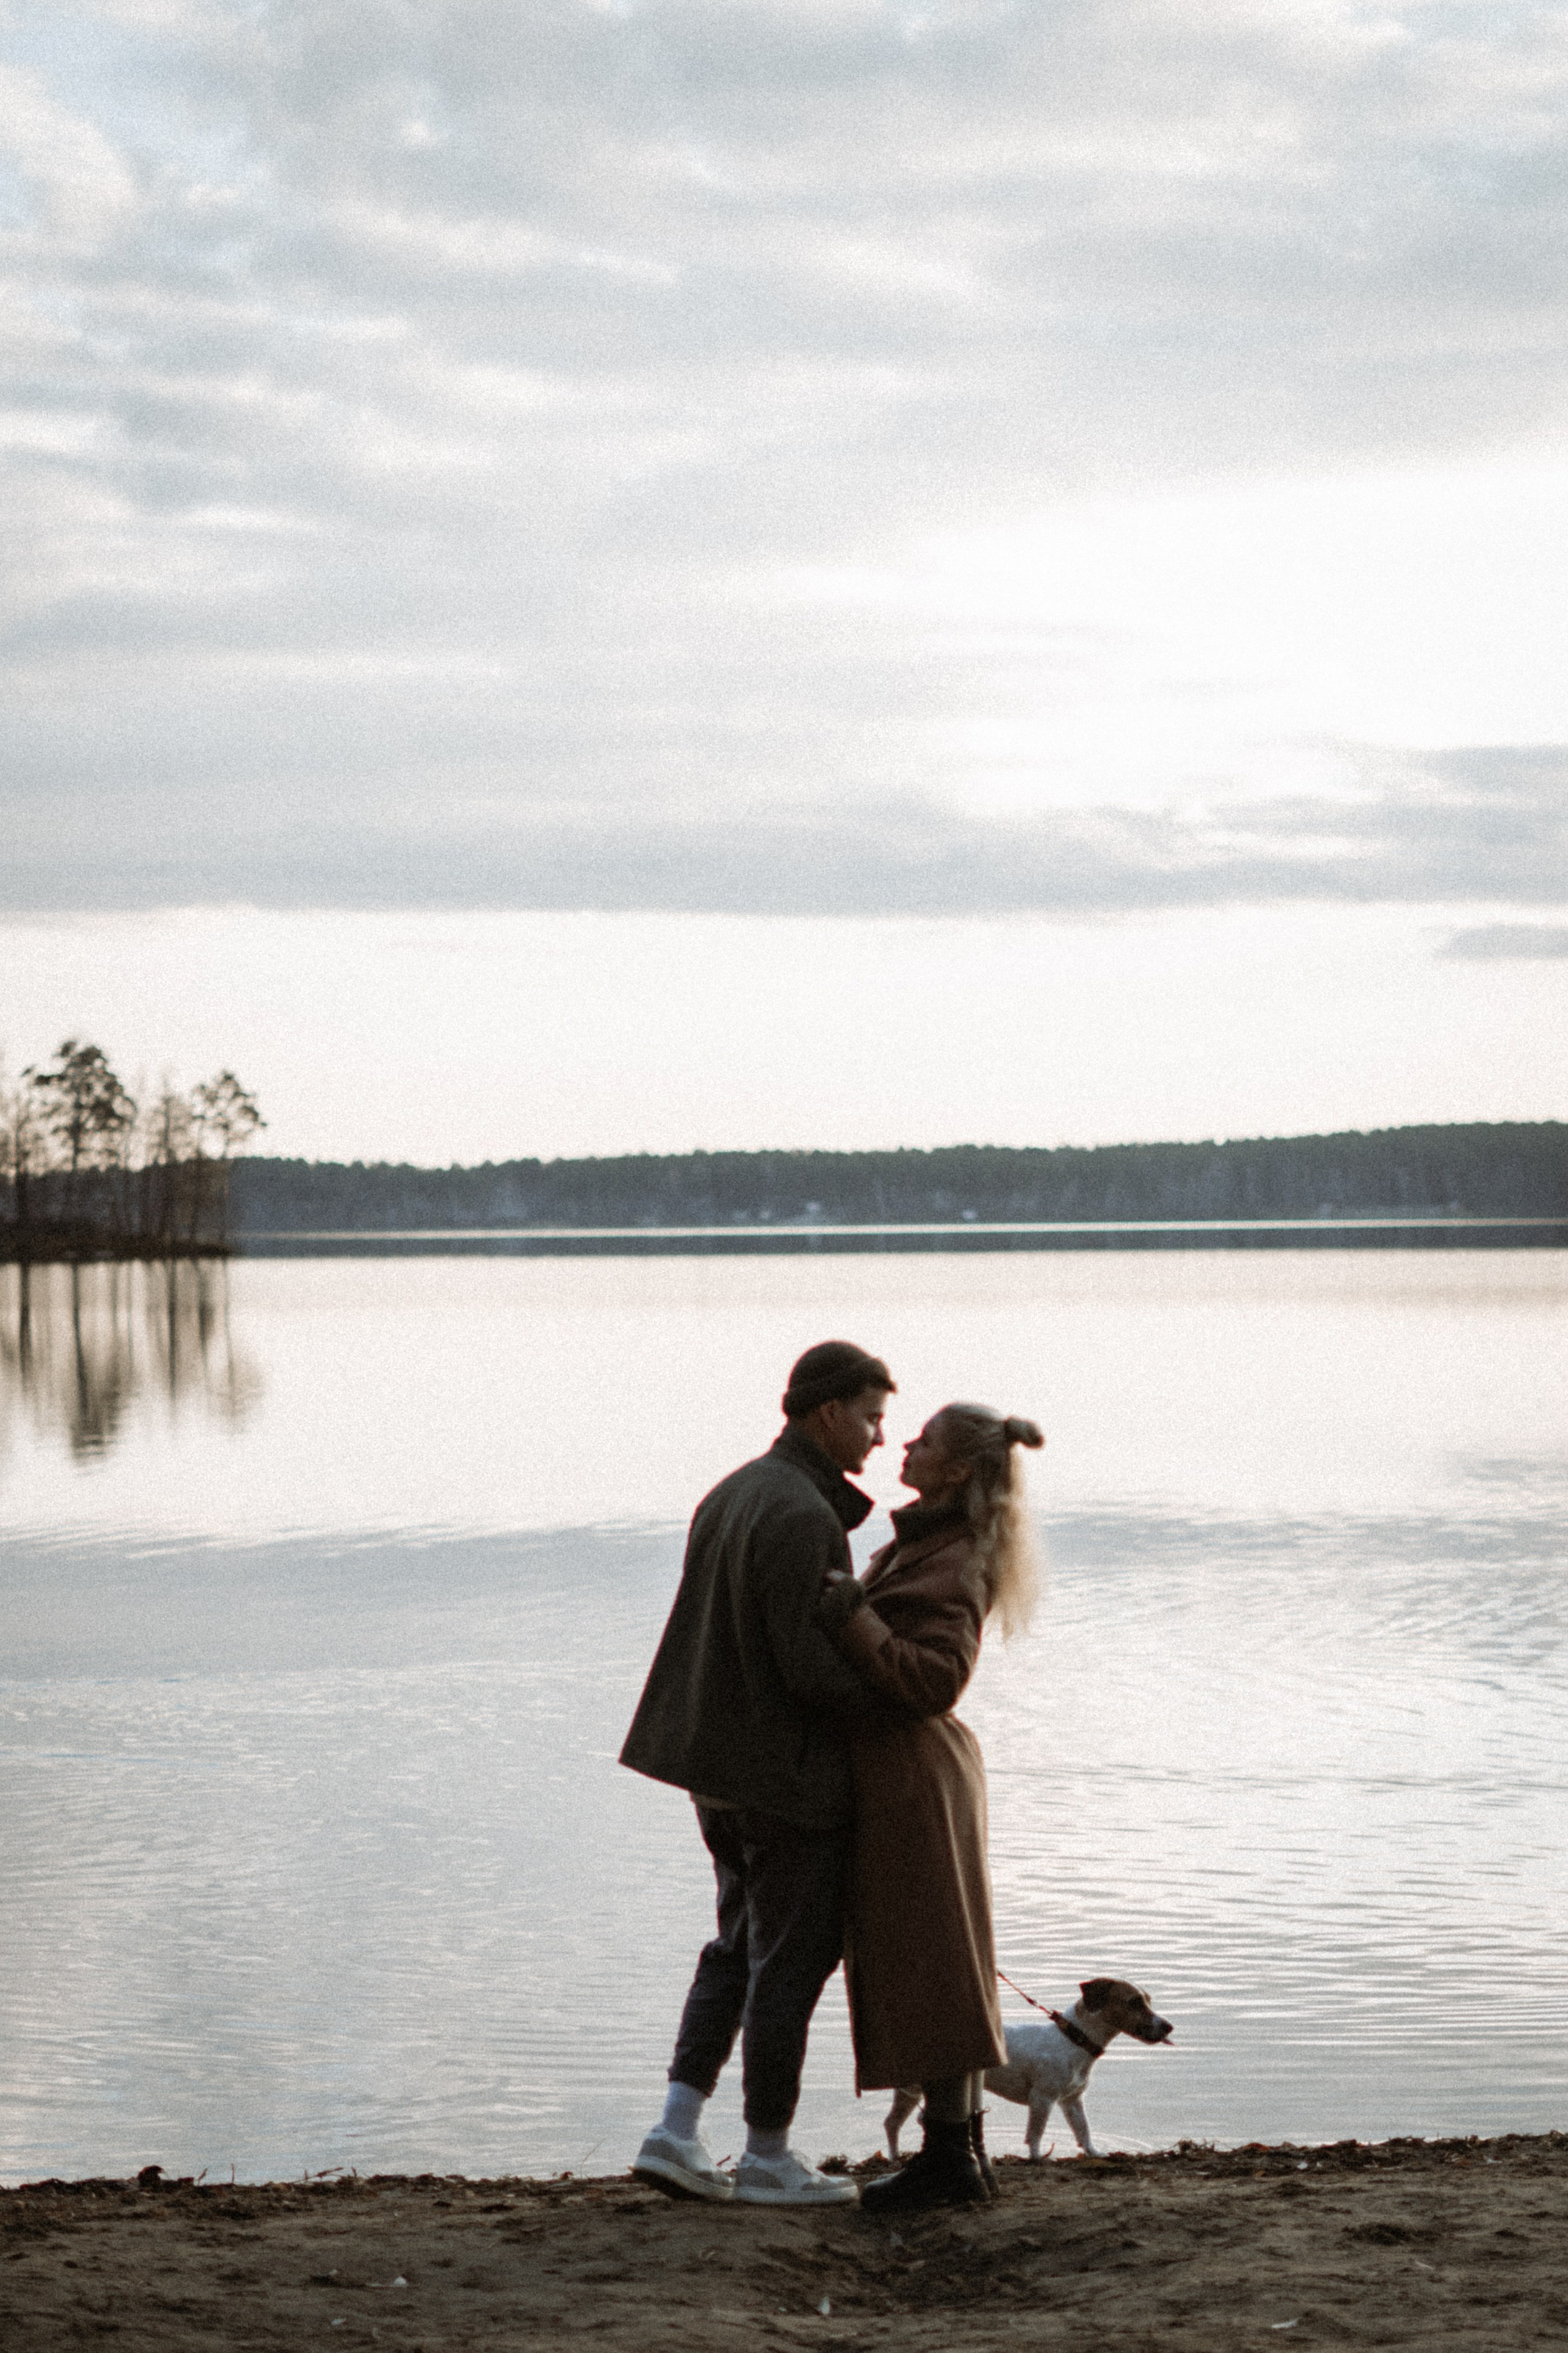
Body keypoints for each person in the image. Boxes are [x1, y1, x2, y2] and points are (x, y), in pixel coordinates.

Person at [620, 1339, 897, 2206]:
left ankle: (675, 2128)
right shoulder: (803, 1516)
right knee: (791, 1961)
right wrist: (901, 1697)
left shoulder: (735, 1490)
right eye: (872, 1417)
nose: (880, 1437)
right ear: (828, 1414)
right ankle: (769, 2154)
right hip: (785, 1779)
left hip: (717, 1770)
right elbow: (810, 1668)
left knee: (736, 1948)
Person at [818, 1400, 1044, 2211]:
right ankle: (961, 2154)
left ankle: (952, 2157)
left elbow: (935, 1677)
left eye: (925, 1440)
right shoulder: (941, 1541)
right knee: (941, 1958)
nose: (904, 1443)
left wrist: (852, 1618)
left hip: (914, 1778)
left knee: (933, 1961)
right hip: (916, 1775)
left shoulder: (953, 1555)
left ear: (954, 1469)